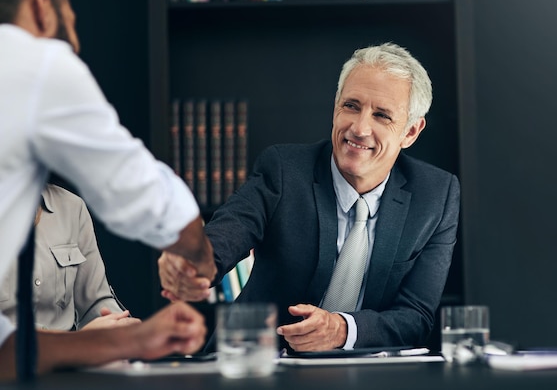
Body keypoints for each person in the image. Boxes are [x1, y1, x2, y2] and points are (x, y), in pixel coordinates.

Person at [159, 42, 461, 352]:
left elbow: (416, 317)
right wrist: (195, 262)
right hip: (259, 366)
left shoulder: (436, 196)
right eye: (352, 106)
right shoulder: (285, 171)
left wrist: (342, 330)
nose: (359, 128)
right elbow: (231, 228)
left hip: (366, 374)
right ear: (335, 107)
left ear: (410, 132)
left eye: (382, 116)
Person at [0, 0, 217, 380]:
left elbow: (5, 350)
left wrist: (134, 338)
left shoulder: (64, 206)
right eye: (70, 23)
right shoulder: (37, 61)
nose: (76, 45)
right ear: (42, 6)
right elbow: (153, 202)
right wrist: (201, 261)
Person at [0, 184, 140, 331]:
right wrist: (74, 341)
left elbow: (94, 301)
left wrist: (119, 326)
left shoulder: (72, 206)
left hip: (70, 350)